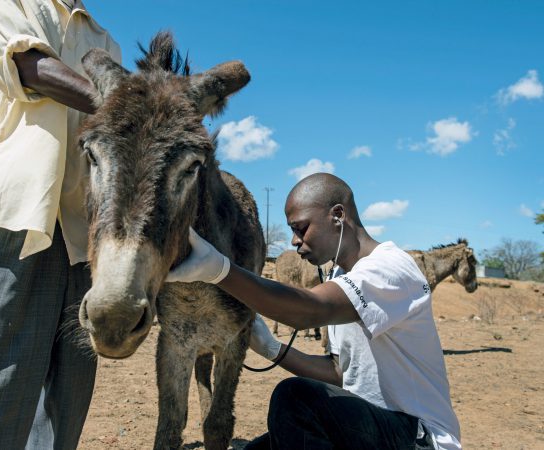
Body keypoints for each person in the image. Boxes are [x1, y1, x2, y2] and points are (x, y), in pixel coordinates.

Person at [167, 172, 461, 450]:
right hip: (363, 427)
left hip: (418, 438)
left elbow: (311, 311)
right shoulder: (338, 278)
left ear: (338, 216)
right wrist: (271, 348)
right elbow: (337, 373)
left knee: (294, 398)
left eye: (300, 228)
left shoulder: (390, 268)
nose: (295, 240)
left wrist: (218, 270)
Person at [0, 1, 120, 448]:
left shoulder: (104, 39)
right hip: (13, 224)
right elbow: (29, 67)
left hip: (84, 241)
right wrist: (135, 102)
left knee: (63, 412)